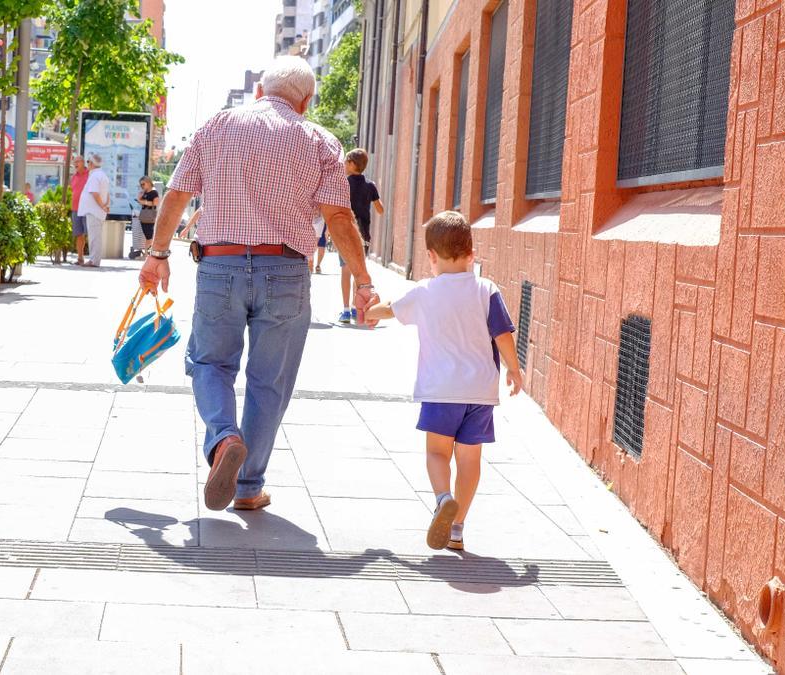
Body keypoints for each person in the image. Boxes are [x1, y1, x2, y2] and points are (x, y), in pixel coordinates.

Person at [140, 56, 378, 512]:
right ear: (306, 101)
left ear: (259, 92)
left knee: (209, 363)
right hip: (286, 271)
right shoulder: (320, 140)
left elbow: (176, 194)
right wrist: (363, 281)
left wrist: (157, 255)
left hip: (219, 265)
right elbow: (339, 218)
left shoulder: (218, 126)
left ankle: (223, 437)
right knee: (270, 383)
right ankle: (248, 489)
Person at [365, 211, 523, 551]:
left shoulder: (424, 291)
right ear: (471, 254)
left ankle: (442, 498)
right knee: (470, 460)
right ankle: (456, 528)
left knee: (438, 453)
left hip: (440, 391)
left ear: (431, 257)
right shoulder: (486, 290)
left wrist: (370, 312)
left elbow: (391, 308)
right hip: (480, 392)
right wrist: (513, 368)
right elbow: (503, 334)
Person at [339, 148, 384, 323]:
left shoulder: (343, 184)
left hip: (345, 233)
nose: (343, 165)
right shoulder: (370, 185)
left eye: (345, 162)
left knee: (345, 271)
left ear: (351, 164)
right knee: (358, 271)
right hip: (363, 234)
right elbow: (381, 210)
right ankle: (355, 307)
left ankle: (345, 310)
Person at [78, 152, 110, 267]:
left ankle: (94, 261)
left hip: (94, 211)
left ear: (91, 163)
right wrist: (106, 205)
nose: (87, 164)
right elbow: (106, 194)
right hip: (97, 211)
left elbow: (95, 193)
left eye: (88, 162)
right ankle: (94, 259)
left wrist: (102, 206)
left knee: (94, 237)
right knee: (95, 236)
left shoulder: (95, 176)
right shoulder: (102, 175)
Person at [70, 155, 91, 264]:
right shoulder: (74, 177)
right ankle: (80, 258)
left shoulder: (90, 175)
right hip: (75, 208)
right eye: (74, 162)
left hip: (87, 209)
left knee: (90, 233)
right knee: (79, 234)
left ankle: (93, 258)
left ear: (83, 163)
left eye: (78, 161)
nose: (76, 164)